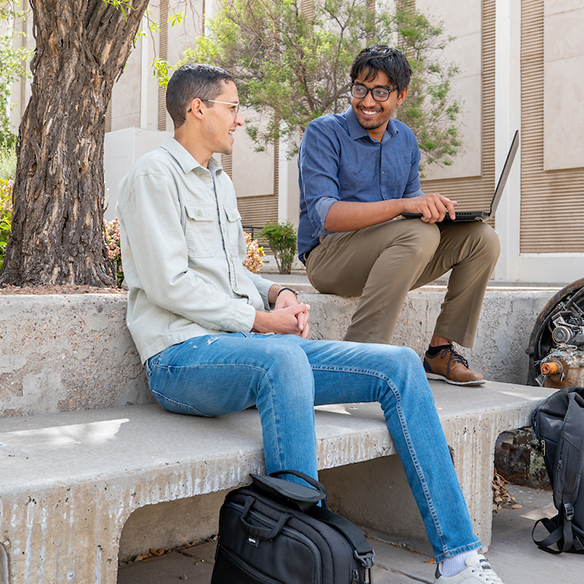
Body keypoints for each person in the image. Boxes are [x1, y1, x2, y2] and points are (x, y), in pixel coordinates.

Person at [117, 63, 505, 584]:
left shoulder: (218, 182)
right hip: (181, 358)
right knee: (281, 358)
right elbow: (168, 285)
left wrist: (277, 292)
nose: (238, 121)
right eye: (232, 108)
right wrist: (262, 320)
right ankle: (299, 561)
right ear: (197, 109)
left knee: (398, 366)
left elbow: (233, 273)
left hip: (244, 352)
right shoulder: (153, 175)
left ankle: (458, 556)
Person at [297, 45, 500, 386]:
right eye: (360, 89)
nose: (367, 101)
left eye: (380, 91)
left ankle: (439, 352)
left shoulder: (405, 139)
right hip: (330, 258)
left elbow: (411, 204)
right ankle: (357, 358)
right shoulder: (323, 132)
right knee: (419, 234)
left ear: (400, 95)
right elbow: (327, 215)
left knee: (482, 239)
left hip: (390, 258)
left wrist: (433, 208)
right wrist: (405, 206)